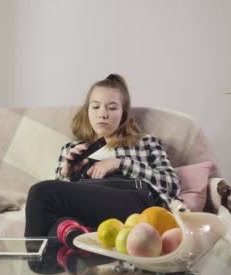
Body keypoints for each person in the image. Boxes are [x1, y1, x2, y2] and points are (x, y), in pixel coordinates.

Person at [24, 74, 180, 248]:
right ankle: (80, 255)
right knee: (60, 226)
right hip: (89, 212)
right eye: (96, 107)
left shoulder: (145, 143)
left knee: (41, 192)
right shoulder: (72, 149)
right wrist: (66, 173)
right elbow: (54, 204)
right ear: (87, 111)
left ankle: (37, 266)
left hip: (132, 205)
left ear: (123, 114)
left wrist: (120, 163)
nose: (102, 114)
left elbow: (172, 184)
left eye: (112, 108)